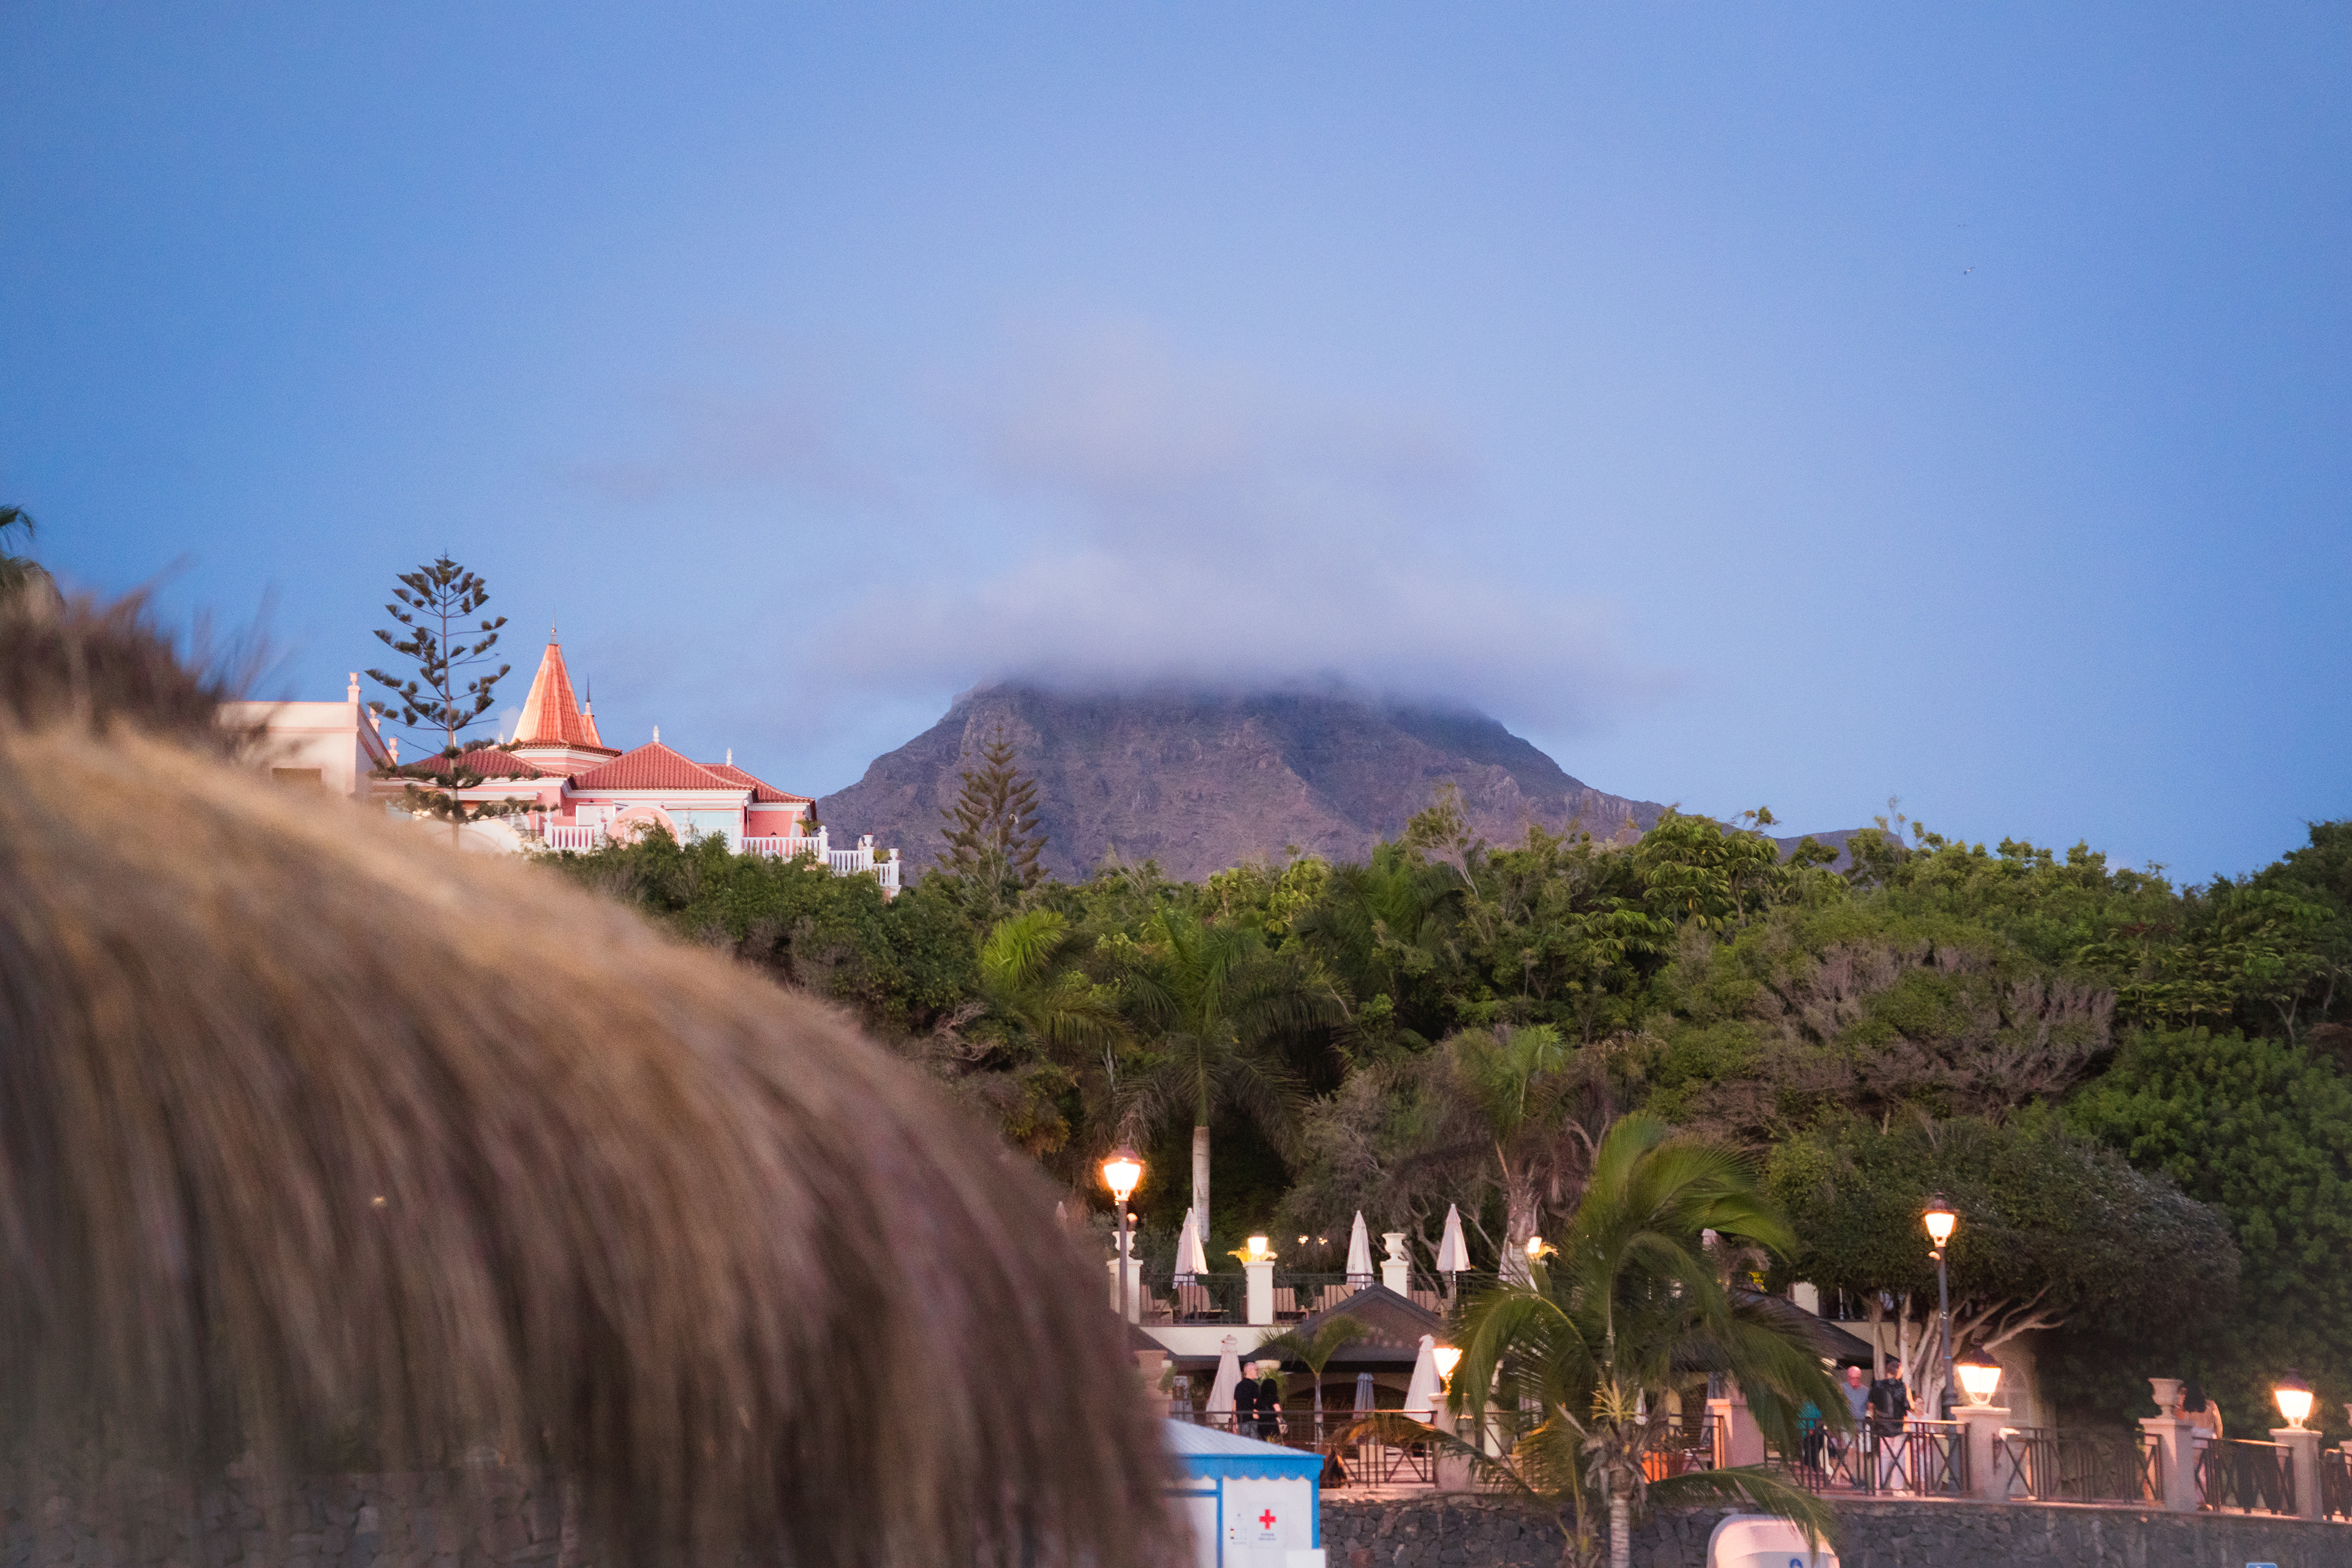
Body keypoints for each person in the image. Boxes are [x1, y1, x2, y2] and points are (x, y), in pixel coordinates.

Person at [1868, 1358, 1912, 1491]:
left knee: (1883, 1456)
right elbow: (1908, 1406)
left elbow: (1871, 1403)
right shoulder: (1901, 1386)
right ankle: (1897, 1487)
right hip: (1897, 1426)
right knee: (1900, 1456)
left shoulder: (1878, 1385)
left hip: (1882, 1425)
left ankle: (1878, 1486)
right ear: (1898, 1371)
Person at [1232, 1368, 1260, 1435]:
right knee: (1253, 1440)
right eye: (1255, 1370)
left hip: (1241, 1420)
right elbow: (1257, 1403)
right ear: (1250, 1371)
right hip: (1252, 1420)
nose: (1257, 1372)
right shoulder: (1254, 1385)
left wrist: (1234, 1424)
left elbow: (1234, 1407)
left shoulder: (1238, 1386)